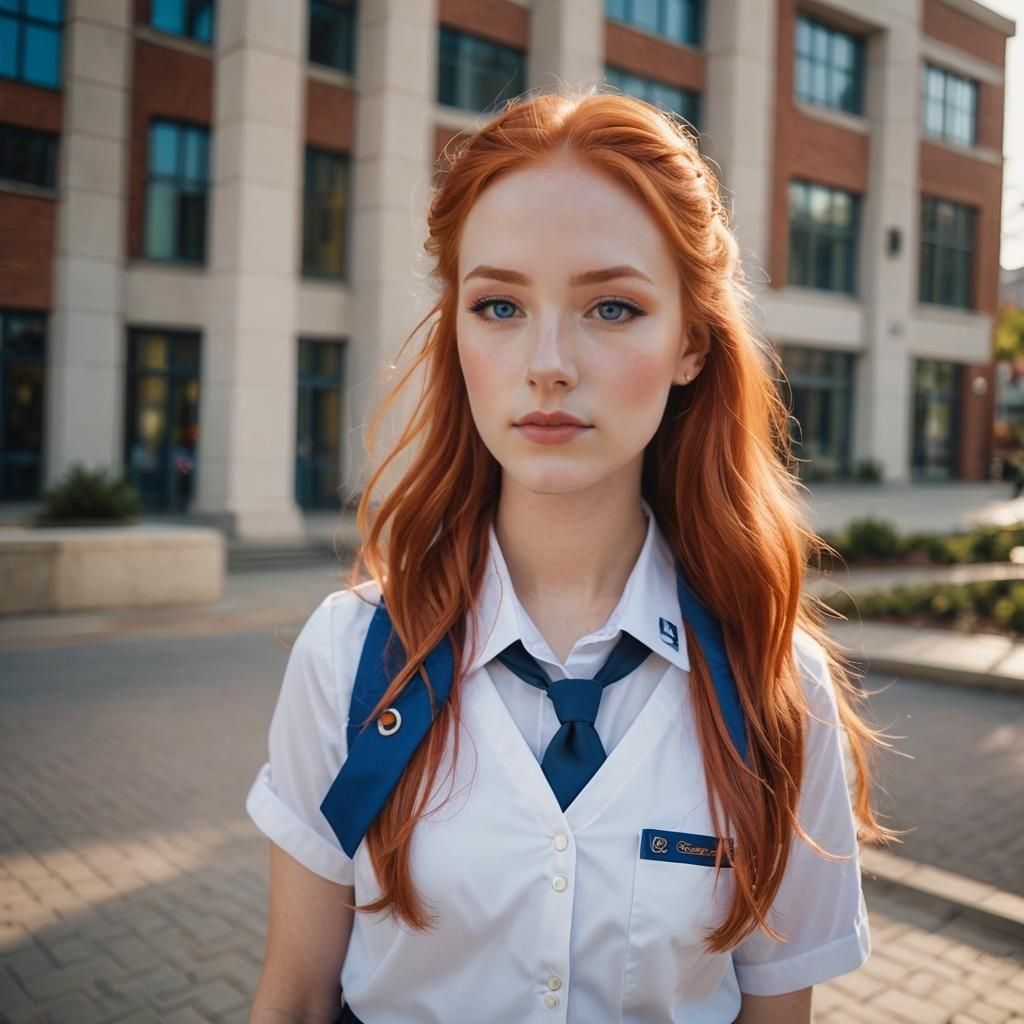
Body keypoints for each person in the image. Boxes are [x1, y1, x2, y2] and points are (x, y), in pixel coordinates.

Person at [244, 85, 898, 1024]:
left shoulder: (774, 686)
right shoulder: (350, 657)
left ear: (692, 344)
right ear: (457, 331)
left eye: (613, 308)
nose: (547, 361)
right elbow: (297, 999)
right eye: (501, 305)